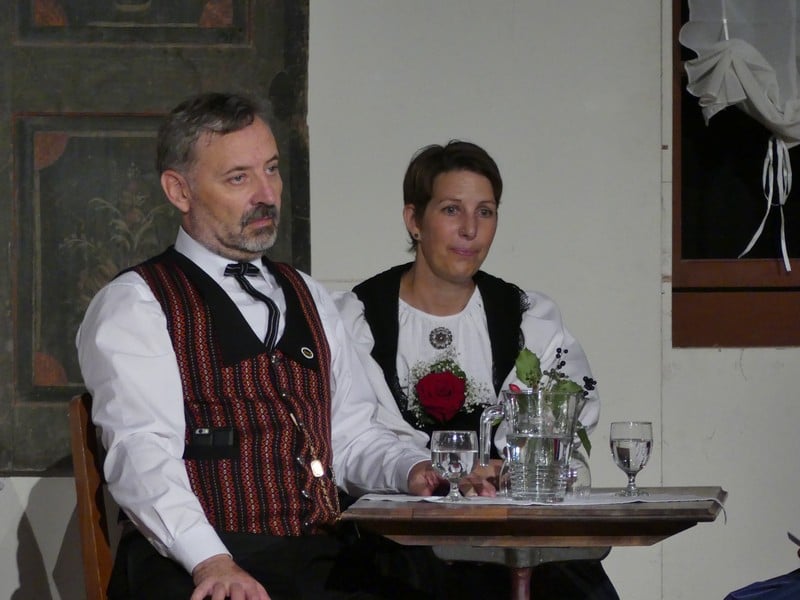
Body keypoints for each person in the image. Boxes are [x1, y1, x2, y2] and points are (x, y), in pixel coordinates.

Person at [75, 92, 450, 600]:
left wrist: (412, 469)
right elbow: (141, 454)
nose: (267, 194)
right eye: (239, 178)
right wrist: (210, 561)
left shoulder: (308, 294)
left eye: (271, 170)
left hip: (318, 556)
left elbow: (351, 436)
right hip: (199, 559)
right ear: (179, 190)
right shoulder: (138, 303)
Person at [334, 140, 619, 599]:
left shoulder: (525, 316)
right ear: (414, 220)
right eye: (451, 210)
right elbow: (352, 436)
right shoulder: (359, 318)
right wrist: (418, 470)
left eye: (485, 212)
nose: (470, 229)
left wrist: (508, 469)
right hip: (401, 543)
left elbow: (567, 408)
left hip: (508, 531)